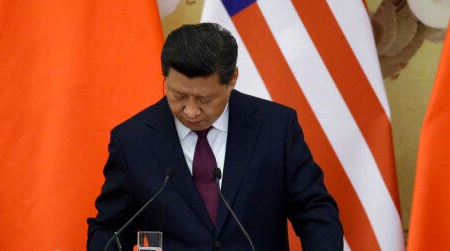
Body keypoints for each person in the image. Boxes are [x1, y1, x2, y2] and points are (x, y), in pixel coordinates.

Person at [87, 23, 343, 250]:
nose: (190, 111)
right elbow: (110, 228)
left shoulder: (275, 127)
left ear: (232, 79)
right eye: (178, 95)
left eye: (204, 99)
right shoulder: (133, 139)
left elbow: (314, 210)